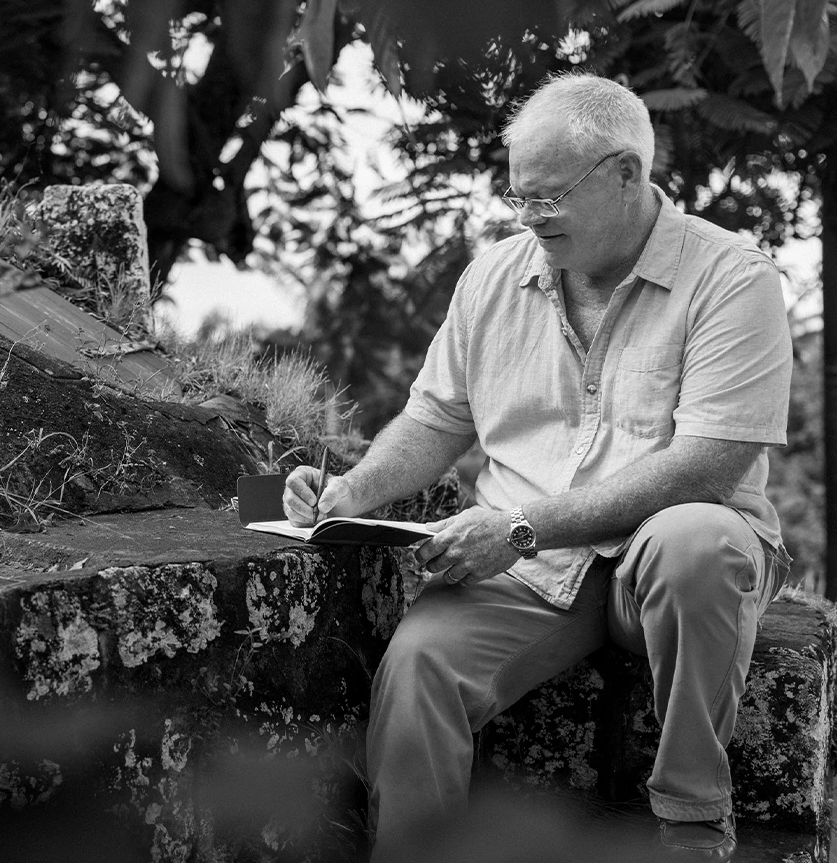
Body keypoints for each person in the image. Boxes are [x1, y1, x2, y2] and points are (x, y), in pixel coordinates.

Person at [283, 74, 792, 862]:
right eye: (519, 196)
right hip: (530, 574)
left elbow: (708, 465)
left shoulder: (734, 277)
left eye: (549, 197)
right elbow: (433, 419)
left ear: (627, 174)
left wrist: (520, 527)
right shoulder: (493, 275)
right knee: (420, 664)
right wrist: (351, 489)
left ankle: (693, 824)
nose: (528, 217)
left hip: (650, 563)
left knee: (700, 543)